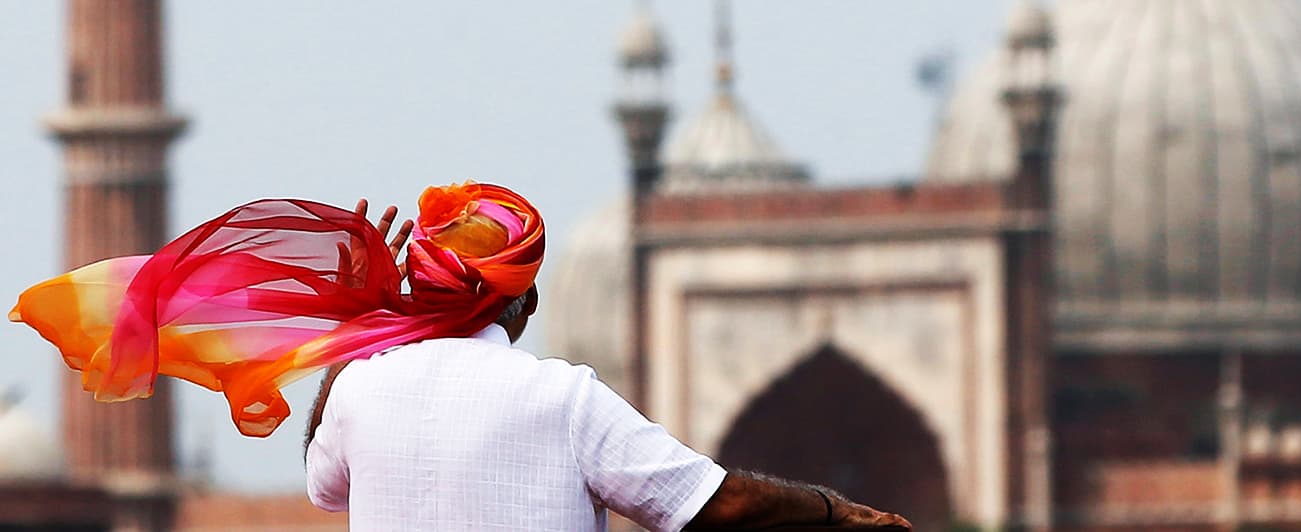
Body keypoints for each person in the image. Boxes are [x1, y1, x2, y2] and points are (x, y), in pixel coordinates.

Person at [303, 196, 912, 532]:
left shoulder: (360, 389)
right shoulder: (561, 398)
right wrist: (837, 513)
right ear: (528, 301)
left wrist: (356, 325)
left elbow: (323, 485)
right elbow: (716, 505)